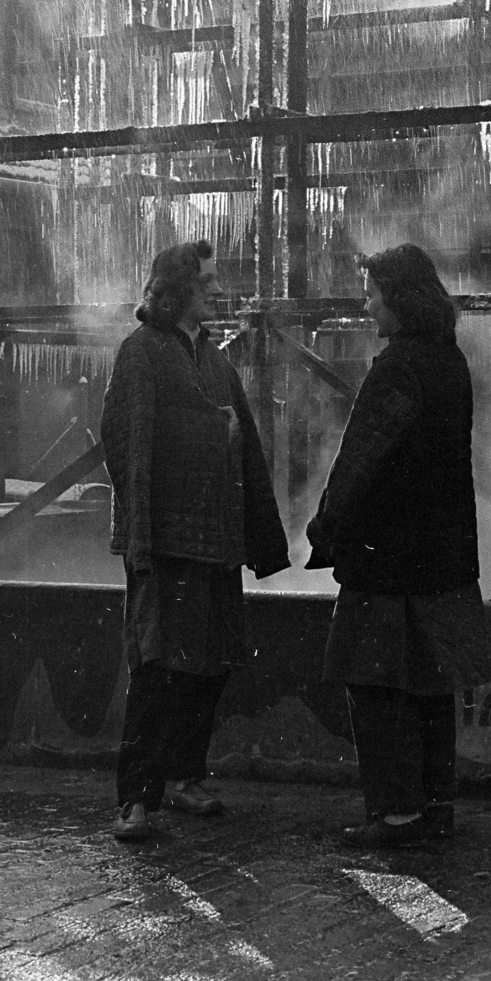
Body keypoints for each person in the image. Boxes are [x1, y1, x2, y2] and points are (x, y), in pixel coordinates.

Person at [306, 244, 491, 848]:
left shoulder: (397, 367)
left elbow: (362, 456)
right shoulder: (449, 361)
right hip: (441, 557)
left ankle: (394, 814)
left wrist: (326, 527)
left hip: (386, 561)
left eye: (371, 295)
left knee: (377, 686)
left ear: (398, 299)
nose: (367, 307)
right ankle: (434, 805)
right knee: (432, 684)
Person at [100, 239, 290, 841]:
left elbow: (247, 447)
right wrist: (140, 540)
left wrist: (258, 538)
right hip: (165, 542)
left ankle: (184, 777)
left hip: (213, 542)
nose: (216, 290)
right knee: (157, 667)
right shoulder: (141, 354)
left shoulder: (214, 360)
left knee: (208, 667)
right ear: (179, 289)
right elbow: (126, 443)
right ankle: (136, 797)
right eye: (206, 282)